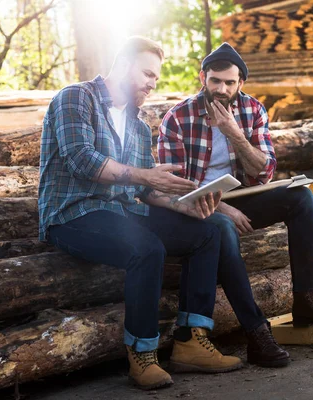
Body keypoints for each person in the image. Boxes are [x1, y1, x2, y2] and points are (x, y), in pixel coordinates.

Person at [38, 37, 243, 391]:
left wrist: (188, 204)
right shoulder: (75, 97)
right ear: (123, 65)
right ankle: (142, 354)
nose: (152, 83)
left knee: (208, 231)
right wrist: (146, 176)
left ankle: (191, 341)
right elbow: (82, 159)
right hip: (71, 214)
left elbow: (145, 190)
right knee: (147, 248)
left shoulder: (135, 123)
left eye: (156, 79)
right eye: (147, 74)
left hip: (119, 212)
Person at [157, 42, 313, 368]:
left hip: (243, 197)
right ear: (203, 77)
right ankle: (257, 332)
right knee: (223, 229)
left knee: (300, 197)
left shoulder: (252, 110)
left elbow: (263, 171)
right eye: (215, 81)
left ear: (240, 84)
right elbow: (172, 185)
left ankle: (306, 299)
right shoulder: (178, 117)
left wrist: (234, 133)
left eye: (230, 83)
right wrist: (219, 207)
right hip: (197, 206)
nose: (222, 89)